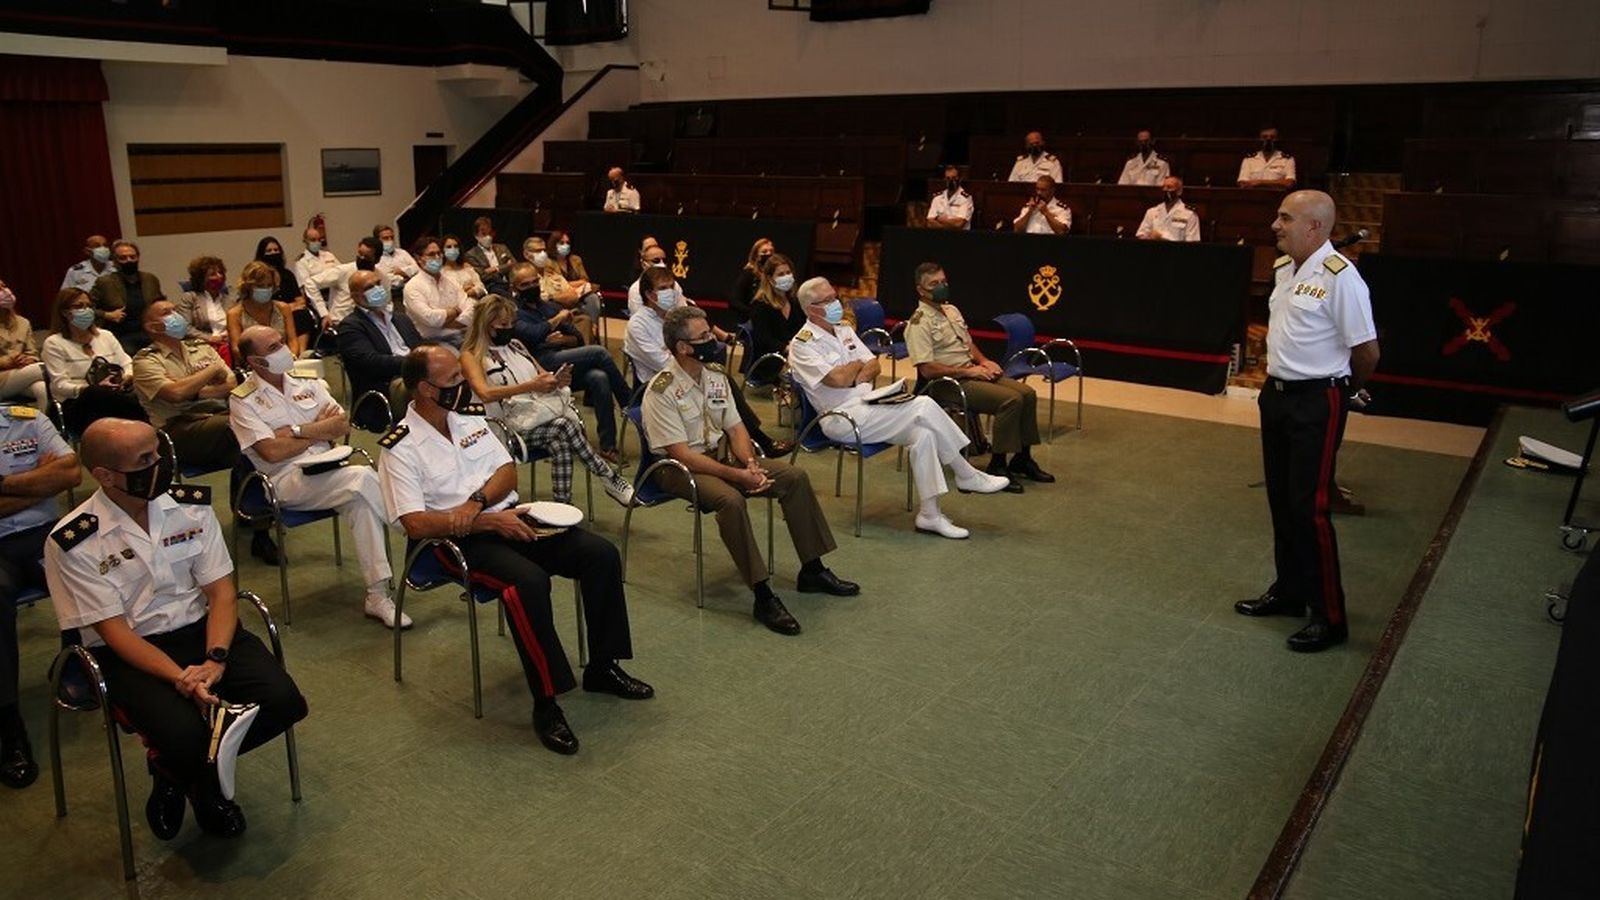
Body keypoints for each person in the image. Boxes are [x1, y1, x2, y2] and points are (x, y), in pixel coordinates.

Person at [377, 345, 654, 755]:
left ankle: (603, 666)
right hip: (447, 543)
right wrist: (484, 520)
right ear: (424, 389)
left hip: (503, 518)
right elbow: (414, 522)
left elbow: (506, 471)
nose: (464, 386)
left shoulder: (469, 420)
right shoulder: (399, 446)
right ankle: (546, 702)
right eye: (453, 380)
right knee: (527, 583)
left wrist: (476, 505)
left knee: (600, 555)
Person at [43, 418, 308, 838]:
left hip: (204, 631)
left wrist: (215, 660)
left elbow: (222, 593)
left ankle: (174, 771)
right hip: (131, 651)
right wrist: (183, 679)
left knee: (285, 701)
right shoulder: (74, 540)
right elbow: (114, 633)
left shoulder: (191, 506)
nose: (162, 464)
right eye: (145, 459)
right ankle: (204, 790)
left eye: (160, 452)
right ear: (106, 476)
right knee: (185, 735)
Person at [643, 306, 857, 636]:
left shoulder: (715, 376)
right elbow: (681, 454)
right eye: (703, 337)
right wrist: (737, 476)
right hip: (677, 470)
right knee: (730, 500)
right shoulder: (662, 389)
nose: (712, 340)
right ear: (683, 347)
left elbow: (737, 429)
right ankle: (762, 594)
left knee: (794, 477)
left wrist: (749, 463)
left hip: (721, 461)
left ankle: (812, 570)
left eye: (709, 333)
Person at [1234, 190, 1379, 653]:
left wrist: (1345, 390)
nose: (1275, 225)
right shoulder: (1282, 270)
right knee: (1281, 498)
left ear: (1315, 227)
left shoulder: (1343, 278)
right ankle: (1291, 591)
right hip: (1275, 397)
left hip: (1317, 400)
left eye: (1285, 218)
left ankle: (1329, 614)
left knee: (1310, 508)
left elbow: (1367, 352)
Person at [787, 278, 1011, 539]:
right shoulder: (802, 344)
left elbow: (874, 365)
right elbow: (836, 380)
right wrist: (854, 370)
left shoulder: (843, 329)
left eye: (835, 296)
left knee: (923, 433)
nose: (837, 303)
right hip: (841, 419)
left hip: (869, 405)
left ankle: (930, 515)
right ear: (813, 308)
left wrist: (854, 371)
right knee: (924, 405)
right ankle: (965, 472)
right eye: (828, 300)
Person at [229, 325, 404, 628]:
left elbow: (342, 424)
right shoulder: (243, 400)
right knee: (361, 477)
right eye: (272, 348)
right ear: (255, 362)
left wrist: (296, 432)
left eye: (281, 341)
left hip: (330, 469)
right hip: (283, 481)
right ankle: (413, 527)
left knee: (359, 499)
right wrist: (316, 431)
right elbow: (270, 452)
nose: (284, 349)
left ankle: (377, 595)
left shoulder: (307, 381)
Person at [458, 296, 634, 507]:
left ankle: (563, 506)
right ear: (486, 326)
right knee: (564, 427)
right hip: (500, 429)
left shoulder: (516, 345)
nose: (510, 328)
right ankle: (608, 478)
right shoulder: (471, 356)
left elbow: (543, 377)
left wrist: (557, 381)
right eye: (503, 325)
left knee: (560, 437)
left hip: (532, 418)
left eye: (512, 323)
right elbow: (484, 393)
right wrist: (531, 386)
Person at [903, 263, 1054, 488]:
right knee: (1010, 401)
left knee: (1027, 393)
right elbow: (927, 369)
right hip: (947, 383)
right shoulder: (918, 322)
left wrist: (983, 361)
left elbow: (968, 343)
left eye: (944, 282)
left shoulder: (951, 310)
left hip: (971, 371)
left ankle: (1022, 459)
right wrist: (968, 371)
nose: (941, 287)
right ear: (921, 290)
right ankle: (998, 463)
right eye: (934, 284)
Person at [0, 402, 82, 788]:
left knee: (87, 569)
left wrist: (5, 485)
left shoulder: (26, 419)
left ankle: (77, 660)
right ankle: (7, 722)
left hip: (41, 533)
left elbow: (70, 472)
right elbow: (54, 478)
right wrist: (37, 478)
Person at [507, 264, 631, 461]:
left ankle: (608, 446)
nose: (532, 287)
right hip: (538, 368)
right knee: (599, 352)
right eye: (525, 284)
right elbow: (530, 334)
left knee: (599, 377)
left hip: (561, 362)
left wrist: (561, 339)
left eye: (534, 282)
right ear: (515, 287)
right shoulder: (513, 312)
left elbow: (577, 338)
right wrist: (555, 321)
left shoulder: (547, 306)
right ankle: (628, 402)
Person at [41, 288, 147, 433]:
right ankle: (147, 423)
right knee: (96, 393)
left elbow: (127, 363)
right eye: (79, 306)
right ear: (65, 312)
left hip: (116, 395)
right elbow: (60, 385)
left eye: (89, 306)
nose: (86, 310)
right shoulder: (54, 343)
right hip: (77, 404)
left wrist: (127, 377)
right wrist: (91, 388)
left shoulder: (106, 336)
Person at [336, 270, 422, 431]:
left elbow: (420, 347)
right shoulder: (351, 326)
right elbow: (371, 362)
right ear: (355, 296)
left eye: (378, 284)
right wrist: (413, 363)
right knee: (424, 384)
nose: (377, 289)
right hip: (384, 385)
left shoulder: (399, 317)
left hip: (415, 371)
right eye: (370, 287)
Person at [525, 234, 601, 344]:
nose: (542, 254)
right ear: (526, 254)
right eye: (537, 251)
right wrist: (557, 297)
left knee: (585, 318)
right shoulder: (524, 276)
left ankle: (586, 352)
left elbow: (572, 296)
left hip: (566, 314)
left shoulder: (553, 275)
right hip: (544, 319)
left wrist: (552, 297)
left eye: (544, 250)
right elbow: (535, 300)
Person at [91, 240, 163, 355]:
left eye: (132, 257)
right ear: (114, 261)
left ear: (138, 258)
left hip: (150, 332)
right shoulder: (104, 283)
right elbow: (88, 309)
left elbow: (160, 302)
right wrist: (106, 315)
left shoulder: (150, 279)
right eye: (123, 258)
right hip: (121, 334)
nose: (129, 260)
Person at [403, 237, 474, 347]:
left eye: (439, 253)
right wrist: (456, 310)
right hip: (434, 342)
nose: (437, 257)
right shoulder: (412, 287)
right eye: (431, 254)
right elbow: (431, 319)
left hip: (464, 334)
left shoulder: (450, 280)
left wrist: (445, 322)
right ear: (418, 258)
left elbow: (471, 309)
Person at [228, 261, 305, 362]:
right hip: (253, 365)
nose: (265, 289)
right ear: (248, 286)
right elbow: (236, 349)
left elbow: (292, 340)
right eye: (260, 286)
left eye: (269, 285)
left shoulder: (283, 308)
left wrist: (292, 356)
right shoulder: (235, 314)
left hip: (284, 361)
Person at [302, 236, 381, 327]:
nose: (361, 258)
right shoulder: (343, 271)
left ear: (377, 259)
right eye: (360, 254)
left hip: (370, 323)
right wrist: (323, 313)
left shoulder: (381, 276)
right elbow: (310, 283)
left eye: (366, 256)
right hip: (341, 322)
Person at [175, 256, 234, 364]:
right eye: (213, 274)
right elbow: (185, 327)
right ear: (201, 278)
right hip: (201, 346)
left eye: (220, 272)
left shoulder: (229, 299)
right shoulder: (190, 298)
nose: (219, 276)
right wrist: (209, 338)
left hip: (227, 346)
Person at [748, 254, 807, 361]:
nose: (786, 276)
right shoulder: (760, 304)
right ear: (770, 279)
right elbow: (763, 339)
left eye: (788, 273)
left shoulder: (794, 301)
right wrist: (786, 348)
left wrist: (802, 344)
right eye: (780, 274)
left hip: (794, 355)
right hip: (770, 359)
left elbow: (804, 328)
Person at [0, 281, 47, 408]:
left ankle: (48, 426)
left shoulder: (23, 322)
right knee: (44, 369)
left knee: (43, 389)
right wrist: (5, 362)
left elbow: (32, 352)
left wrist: (28, 359)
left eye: (4, 286)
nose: (5, 292)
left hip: (22, 373)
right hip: (2, 376)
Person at [291, 225, 340, 338]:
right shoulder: (302, 262)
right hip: (317, 298)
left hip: (335, 295)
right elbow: (307, 288)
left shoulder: (329, 255)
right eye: (313, 240)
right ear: (305, 241)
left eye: (319, 239)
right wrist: (323, 313)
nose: (317, 242)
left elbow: (341, 273)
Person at [1136, 176, 1202, 242]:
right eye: (1163, 187)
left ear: (1179, 191)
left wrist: (1162, 237)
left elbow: (1192, 241)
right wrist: (1149, 237)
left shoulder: (1190, 214)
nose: (1165, 190)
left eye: (1169, 187)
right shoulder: (1152, 212)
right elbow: (1141, 234)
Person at [626, 242, 683, 317]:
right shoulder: (635, 289)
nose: (661, 263)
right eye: (656, 260)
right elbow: (638, 317)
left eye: (664, 260)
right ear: (644, 264)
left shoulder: (675, 284)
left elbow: (682, 311)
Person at [465, 217, 516, 299]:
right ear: (476, 235)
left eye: (490, 233)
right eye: (484, 234)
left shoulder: (502, 248)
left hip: (510, 283)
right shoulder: (471, 254)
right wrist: (506, 266)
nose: (488, 237)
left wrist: (496, 269)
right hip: (491, 287)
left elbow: (514, 264)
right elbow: (483, 275)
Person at [728, 238, 775, 319]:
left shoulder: (774, 274)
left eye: (771, 251)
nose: (769, 254)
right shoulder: (749, 273)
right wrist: (752, 314)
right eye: (764, 252)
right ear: (756, 256)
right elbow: (734, 300)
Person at [373, 224, 419, 290]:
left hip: (412, 289)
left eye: (392, 237)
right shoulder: (376, 258)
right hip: (392, 294)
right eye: (385, 238)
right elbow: (387, 280)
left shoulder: (402, 253)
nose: (390, 240)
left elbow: (417, 268)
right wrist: (408, 276)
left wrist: (401, 271)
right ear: (377, 240)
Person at [927, 166, 973, 231]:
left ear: (960, 179)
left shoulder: (966, 199)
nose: (951, 181)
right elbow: (930, 223)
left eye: (954, 178)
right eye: (948, 178)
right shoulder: (937, 198)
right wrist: (949, 225)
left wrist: (939, 219)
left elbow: (959, 224)